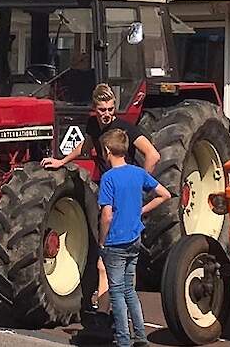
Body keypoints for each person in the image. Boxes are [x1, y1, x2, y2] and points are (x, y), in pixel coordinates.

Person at [41, 83, 160, 326]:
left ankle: (107, 315)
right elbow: (85, 146)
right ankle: (117, 315)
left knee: (109, 258)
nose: (107, 114)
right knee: (115, 260)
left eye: (111, 109)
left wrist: (138, 185)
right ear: (94, 109)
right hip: (107, 190)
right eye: (103, 109)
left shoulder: (124, 129)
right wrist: (61, 161)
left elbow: (153, 155)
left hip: (121, 196)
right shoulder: (94, 125)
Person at [97, 129, 171, 347]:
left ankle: (122, 339)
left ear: (107, 150)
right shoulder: (138, 173)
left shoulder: (108, 178)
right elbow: (165, 194)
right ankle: (140, 335)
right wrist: (141, 210)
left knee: (117, 292)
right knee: (129, 290)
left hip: (115, 242)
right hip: (134, 239)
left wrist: (102, 240)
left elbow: (107, 215)